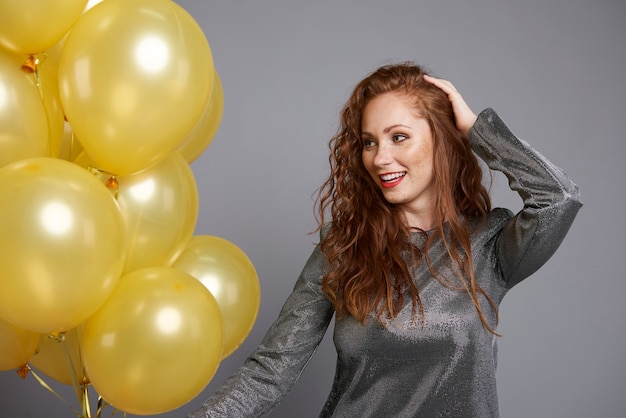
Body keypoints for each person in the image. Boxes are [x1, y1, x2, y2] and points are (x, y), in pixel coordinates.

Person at [188, 62, 582, 417]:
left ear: (440, 140)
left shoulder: (489, 244)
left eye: (399, 137)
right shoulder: (342, 247)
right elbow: (271, 370)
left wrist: (478, 129)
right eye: (369, 142)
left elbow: (558, 198)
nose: (379, 159)